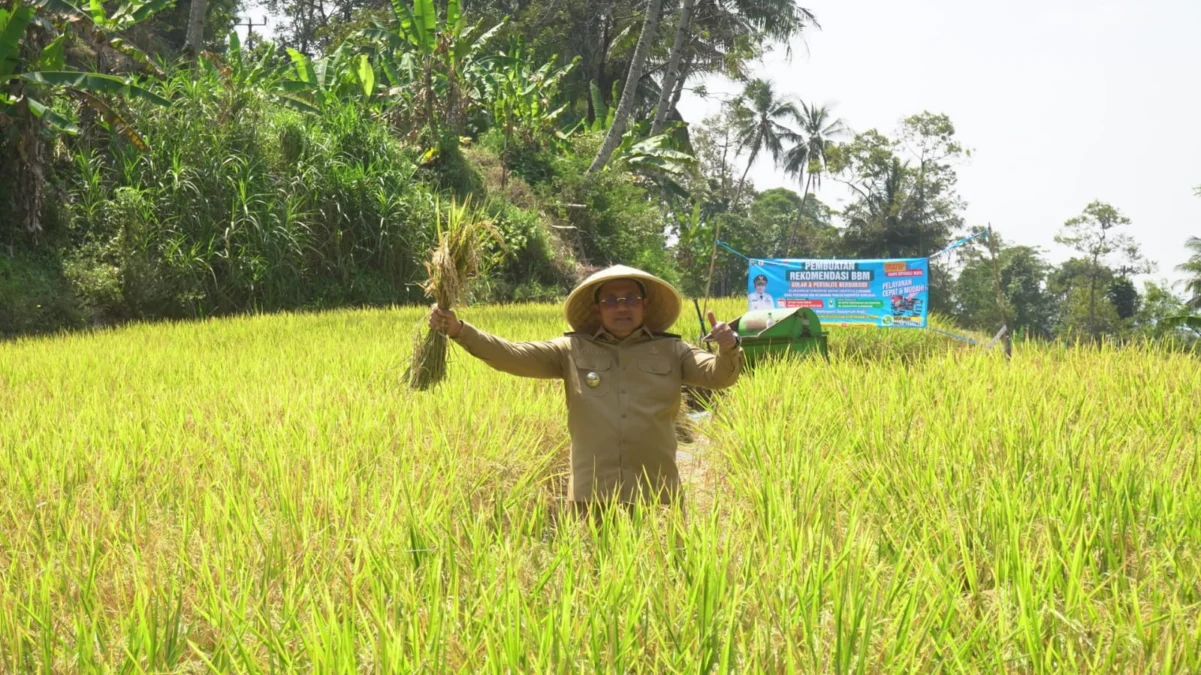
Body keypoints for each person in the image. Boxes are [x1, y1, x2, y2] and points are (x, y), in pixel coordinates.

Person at [427, 265, 743, 508]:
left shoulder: (674, 351)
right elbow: (510, 355)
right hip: (591, 495)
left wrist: (729, 347)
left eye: (631, 299)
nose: (622, 307)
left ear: (644, 306)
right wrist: (459, 329)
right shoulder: (571, 350)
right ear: (597, 310)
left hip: (657, 493)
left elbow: (719, 376)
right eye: (611, 300)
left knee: (664, 581)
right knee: (591, 581)